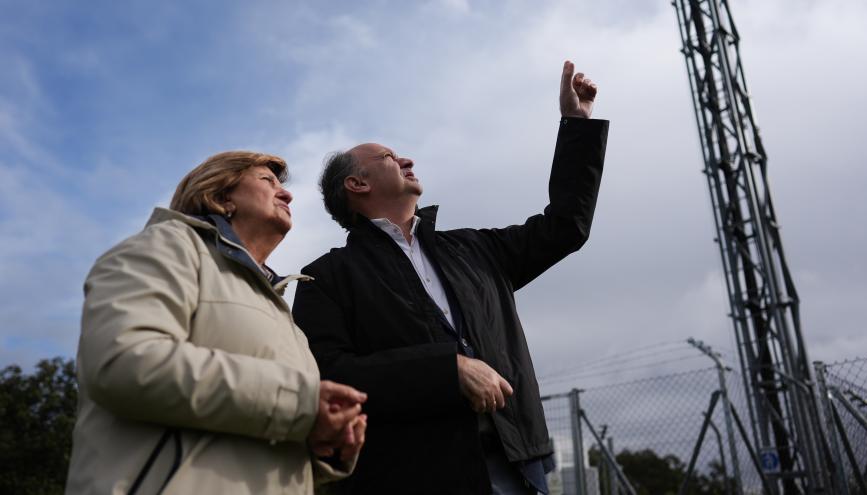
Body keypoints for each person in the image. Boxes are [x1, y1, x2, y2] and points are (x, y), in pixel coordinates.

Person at [291, 60, 608, 494]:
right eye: (387, 156)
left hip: (519, 463)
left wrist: (577, 125)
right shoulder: (324, 278)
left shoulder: (474, 249)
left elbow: (566, 226)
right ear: (357, 184)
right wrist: (447, 371)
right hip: (413, 473)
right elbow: (331, 372)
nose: (405, 158)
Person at [66, 151, 368, 495]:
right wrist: (300, 405)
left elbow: (265, 432)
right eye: (267, 182)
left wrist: (325, 445)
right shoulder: (165, 246)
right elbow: (123, 362)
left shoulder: (284, 314)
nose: (287, 194)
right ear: (221, 196)